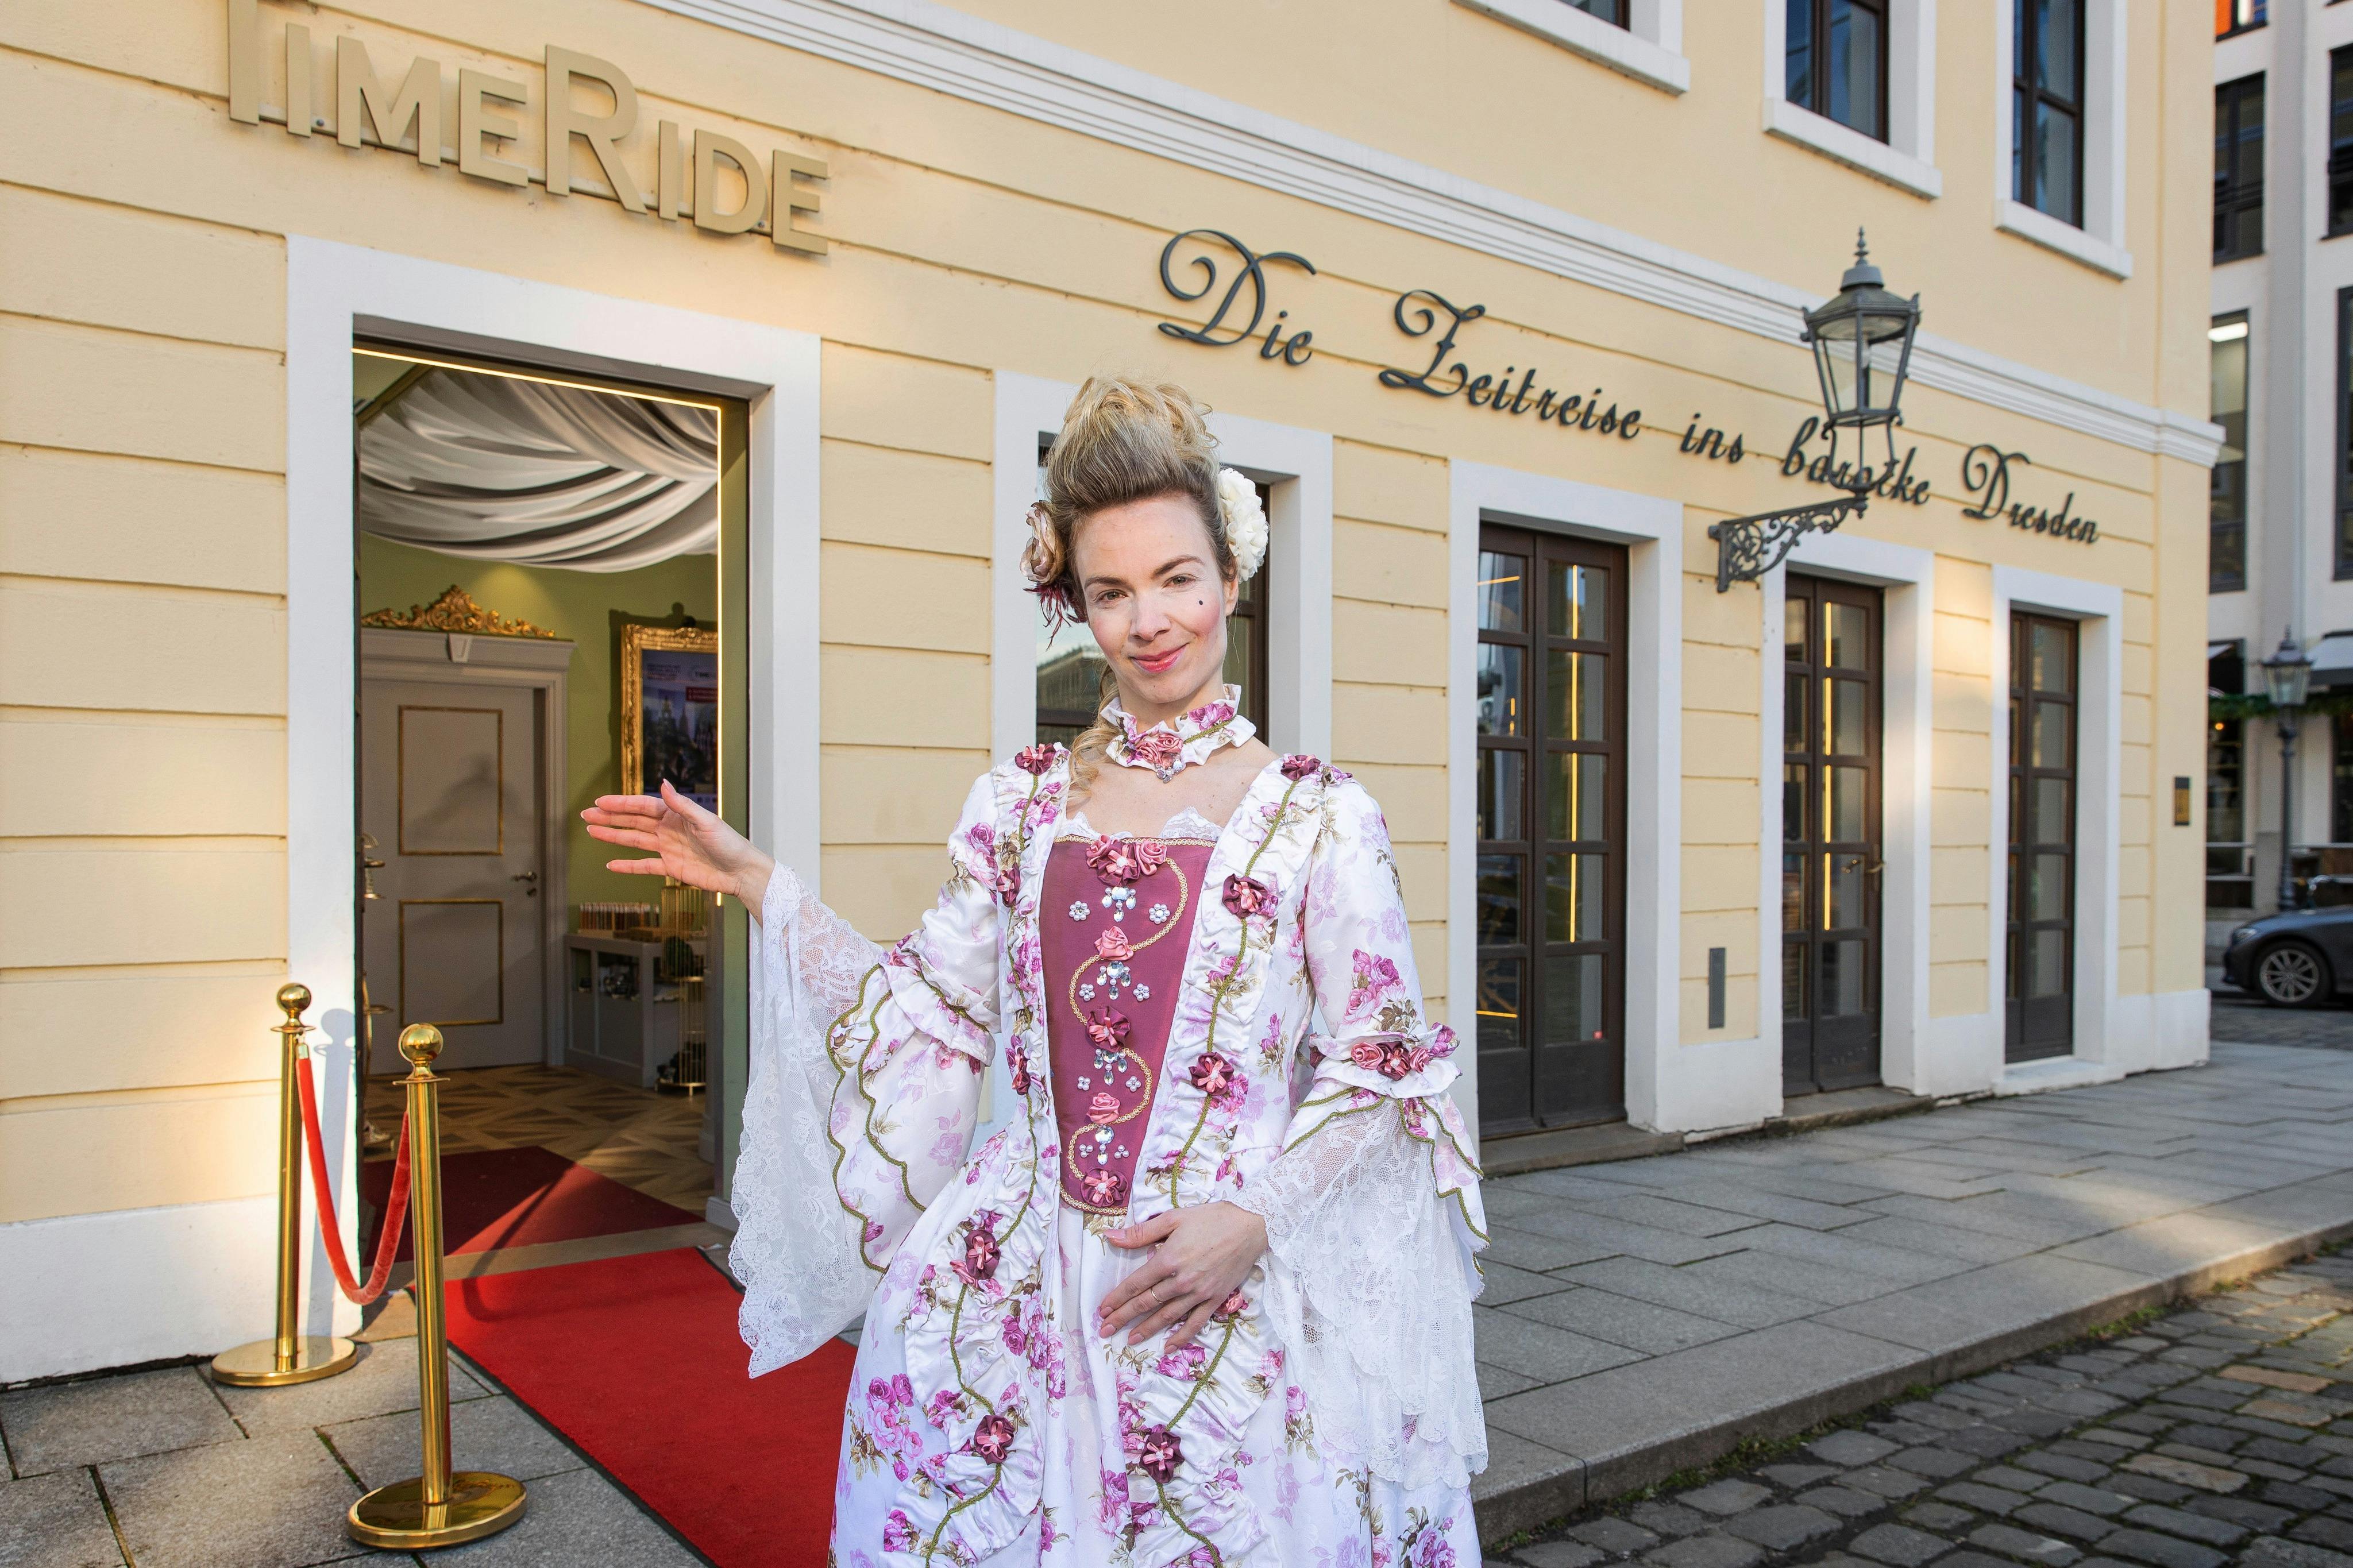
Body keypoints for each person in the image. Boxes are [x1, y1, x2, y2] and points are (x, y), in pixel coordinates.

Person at [584, 375, 1486, 1565]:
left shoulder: (1320, 818)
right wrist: (758, 881)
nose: (1149, 618)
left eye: (1175, 580)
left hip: (1219, 1279)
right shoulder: (1017, 807)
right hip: (1014, 1286)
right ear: (1075, 604)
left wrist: (1249, 1221)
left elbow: (1380, 1068)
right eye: (1110, 591)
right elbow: (930, 1011)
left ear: (1227, 582)